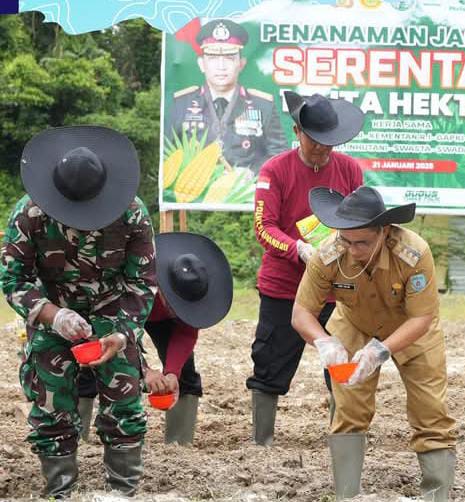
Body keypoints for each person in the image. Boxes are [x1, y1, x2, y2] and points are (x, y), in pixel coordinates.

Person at [0, 126, 156, 498]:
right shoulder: (30, 214)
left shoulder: (132, 214)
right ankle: (61, 492)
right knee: (52, 409)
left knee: (125, 408)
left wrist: (121, 334)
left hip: (113, 316)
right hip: (52, 314)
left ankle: (122, 491)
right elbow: (13, 279)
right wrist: (54, 315)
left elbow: (142, 284)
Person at [292, 186, 457, 501]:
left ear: (384, 232)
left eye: (362, 242)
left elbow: (422, 318)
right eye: (346, 240)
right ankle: (347, 495)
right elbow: (301, 313)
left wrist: (381, 350)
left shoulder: (413, 253)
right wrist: (324, 342)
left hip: (411, 328)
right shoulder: (328, 254)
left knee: (431, 411)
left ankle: (436, 495)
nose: (353, 250)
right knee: (349, 409)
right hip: (354, 324)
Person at [246, 91, 365, 446]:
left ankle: (340, 436)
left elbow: (361, 221)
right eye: (315, 141)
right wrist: (296, 249)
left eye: (330, 142)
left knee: (342, 362)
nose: (322, 150)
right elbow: (263, 227)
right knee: (269, 362)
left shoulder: (349, 170)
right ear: (297, 131)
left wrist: (350, 247)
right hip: (285, 286)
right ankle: (261, 442)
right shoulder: (274, 170)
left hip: (337, 287)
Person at [77, 231, 234, 446]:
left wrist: (172, 373)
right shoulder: (130, 276)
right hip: (118, 312)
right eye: (175, 305)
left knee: (185, 372)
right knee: (89, 363)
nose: (178, 311)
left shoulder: (189, 288)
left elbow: (186, 331)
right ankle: (78, 437)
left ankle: (179, 445)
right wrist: (145, 370)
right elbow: (112, 331)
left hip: (155, 314)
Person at [165, 19, 288, 175]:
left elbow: (279, 154)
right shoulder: (182, 103)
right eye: (213, 58)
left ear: (241, 64)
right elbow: (167, 152)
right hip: (194, 195)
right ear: (201, 64)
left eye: (229, 58)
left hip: (247, 195)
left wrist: (252, 173)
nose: (221, 66)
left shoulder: (263, 106)